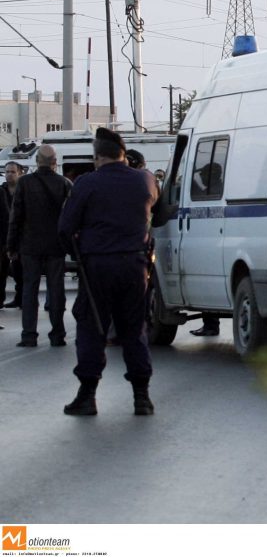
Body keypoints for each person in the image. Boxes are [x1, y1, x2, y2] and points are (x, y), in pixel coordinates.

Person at [59, 128, 159, 417]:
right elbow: (160, 212)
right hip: (135, 266)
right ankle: (142, 397)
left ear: (97, 157)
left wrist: (76, 253)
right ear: (123, 155)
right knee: (134, 328)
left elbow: (65, 229)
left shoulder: (88, 183)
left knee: (92, 328)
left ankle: (87, 395)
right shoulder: (146, 180)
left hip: (97, 266)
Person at [7, 145, 73, 347]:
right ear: (55, 162)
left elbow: (16, 216)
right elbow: (71, 217)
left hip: (30, 245)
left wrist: (11, 245)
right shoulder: (64, 184)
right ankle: (57, 334)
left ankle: (29, 335)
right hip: (55, 246)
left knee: (29, 290)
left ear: (37, 162)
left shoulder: (25, 183)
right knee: (56, 289)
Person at [0, 162, 25, 309]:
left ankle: (20, 298)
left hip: (20, 237)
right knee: (2, 272)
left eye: (13, 172)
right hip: (3, 237)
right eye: (7, 171)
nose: (9, 174)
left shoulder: (24, 190)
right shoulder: (2, 190)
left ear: (20, 173)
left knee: (19, 271)